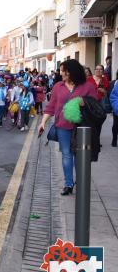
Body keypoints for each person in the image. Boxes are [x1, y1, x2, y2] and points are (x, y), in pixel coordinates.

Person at [38, 60, 98, 196]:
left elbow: (94, 105)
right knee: (66, 155)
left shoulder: (87, 86)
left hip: (81, 127)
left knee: (79, 156)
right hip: (62, 126)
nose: (61, 73)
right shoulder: (58, 86)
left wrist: (84, 102)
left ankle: (81, 182)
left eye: (63, 70)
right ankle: (68, 184)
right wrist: (43, 122)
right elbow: (51, 106)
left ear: (72, 71)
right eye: (60, 70)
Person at [110, 70, 118, 147]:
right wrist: (116, 108)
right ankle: (114, 139)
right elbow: (113, 97)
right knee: (116, 125)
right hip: (117, 110)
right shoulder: (116, 83)